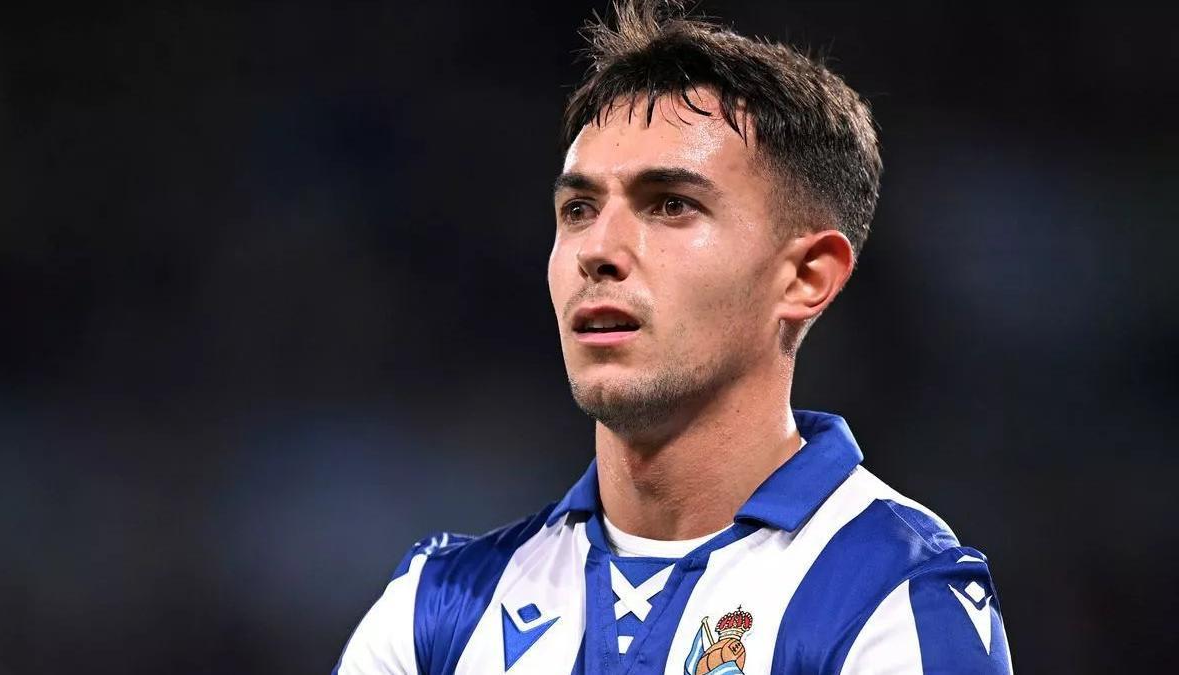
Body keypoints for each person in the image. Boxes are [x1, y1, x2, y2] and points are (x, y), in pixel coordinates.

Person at [335, 1, 1013, 672]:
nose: (597, 250)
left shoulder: (893, 599)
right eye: (578, 209)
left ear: (805, 276)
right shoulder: (436, 611)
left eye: (670, 205)